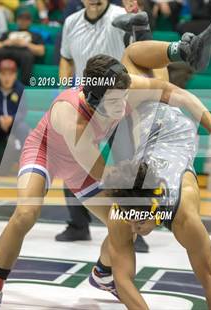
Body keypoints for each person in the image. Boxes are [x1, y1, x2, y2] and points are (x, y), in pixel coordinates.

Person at [0, 18, 211, 310]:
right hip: (47, 152)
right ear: (94, 101)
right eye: (115, 103)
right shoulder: (69, 114)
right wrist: (141, 195)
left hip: (83, 162)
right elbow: (103, 173)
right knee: (26, 212)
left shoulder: (118, 87)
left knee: (125, 221)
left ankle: (102, 273)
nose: (123, 106)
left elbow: (181, 95)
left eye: (125, 97)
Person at [56, 0, 152, 251]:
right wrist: (64, 89)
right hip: (84, 104)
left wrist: (138, 18)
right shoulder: (71, 22)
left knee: (125, 162)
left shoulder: (122, 16)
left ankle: (136, 227)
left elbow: (142, 49)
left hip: (116, 104)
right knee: (74, 163)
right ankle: (78, 225)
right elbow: (65, 58)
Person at [0, 9, 45, 85]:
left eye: (26, 20)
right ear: (17, 21)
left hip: (23, 52)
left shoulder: (35, 35)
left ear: (30, 22)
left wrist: (26, 44)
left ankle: (23, 85)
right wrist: (7, 42)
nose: (23, 21)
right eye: (21, 19)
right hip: (6, 50)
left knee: (28, 57)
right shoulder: (8, 33)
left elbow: (41, 51)